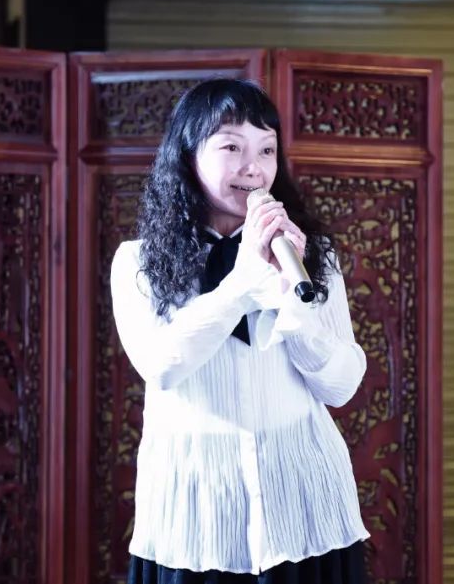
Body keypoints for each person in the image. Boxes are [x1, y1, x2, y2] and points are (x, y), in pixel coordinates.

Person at [110, 78, 369, 584]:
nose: (254, 167)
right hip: (195, 524)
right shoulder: (137, 263)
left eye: (267, 149)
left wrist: (293, 300)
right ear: (188, 156)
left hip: (305, 514)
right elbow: (163, 367)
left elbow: (340, 387)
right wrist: (242, 283)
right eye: (232, 147)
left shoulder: (312, 255)